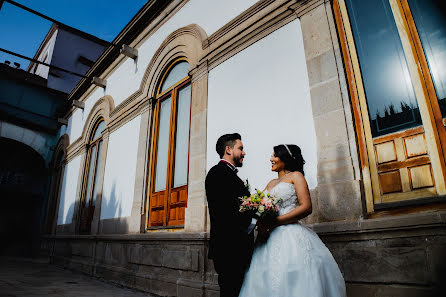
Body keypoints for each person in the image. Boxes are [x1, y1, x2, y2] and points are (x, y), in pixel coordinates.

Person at [239, 144, 346, 297]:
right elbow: (260, 206)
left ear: (285, 158)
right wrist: (257, 214)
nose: (271, 159)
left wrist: (276, 221)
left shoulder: (296, 176)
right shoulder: (270, 183)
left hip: (289, 234)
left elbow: (306, 207)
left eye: (275, 155)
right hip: (267, 237)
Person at [205, 133, 257, 297]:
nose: (244, 152)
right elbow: (225, 214)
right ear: (228, 149)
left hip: (235, 247)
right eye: (240, 148)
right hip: (229, 247)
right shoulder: (217, 173)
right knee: (230, 291)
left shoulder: (230, 174)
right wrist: (255, 219)